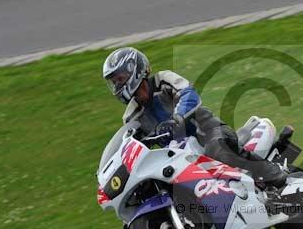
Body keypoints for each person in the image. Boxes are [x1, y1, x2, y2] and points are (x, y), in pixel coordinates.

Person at [102, 47, 287, 188]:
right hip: (180, 155)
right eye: (113, 82)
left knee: (217, 149)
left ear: (135, 70)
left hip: (209, 131)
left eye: (119, 79)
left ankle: (270, 172)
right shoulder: (131, 116)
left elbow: (189, 94)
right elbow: (131, 146)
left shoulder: (163, 81)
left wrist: (177, 119)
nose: (117, 86)